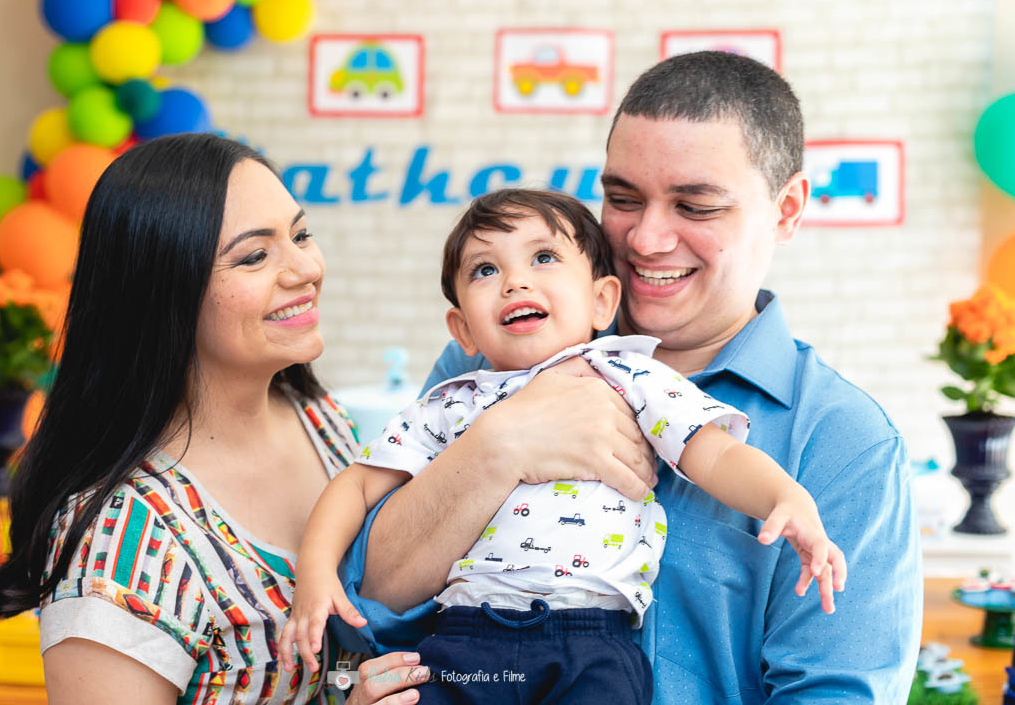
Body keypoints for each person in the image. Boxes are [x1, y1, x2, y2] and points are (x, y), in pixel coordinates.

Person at [340, 52, 923, 703]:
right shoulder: (489, 365)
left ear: (786, 210)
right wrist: (500, 447)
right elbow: (371, 602)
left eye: (694, 206)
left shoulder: (843, 441)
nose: (645, 239)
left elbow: (833, 694)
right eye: (622, 199)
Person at [281, 189, 846, 704]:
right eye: (485, 269)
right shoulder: (450, 403)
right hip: (469, 639)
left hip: (591, 639)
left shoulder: (630, 376)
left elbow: (713, 453)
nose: (515, 282)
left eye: (544, 257)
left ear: (602, 301)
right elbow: (357, 484)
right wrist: (316, 571)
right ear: (463, 330)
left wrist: (785, 497)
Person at [0, 134, 428, 705]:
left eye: (300, 235)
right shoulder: (123, 545)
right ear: (164, 290)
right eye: (254, 256)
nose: (305, 269)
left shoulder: (322, 420)